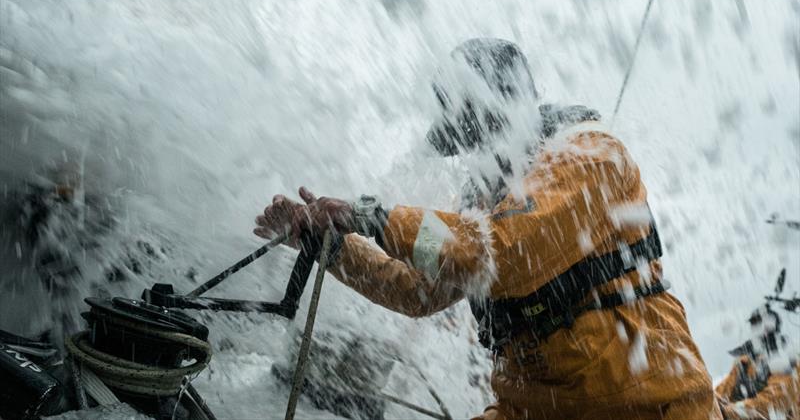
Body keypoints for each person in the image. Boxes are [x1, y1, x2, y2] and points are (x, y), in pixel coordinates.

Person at [254, 38, 722, 419]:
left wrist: (374, 215)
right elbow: (416, 292)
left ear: (505, 109)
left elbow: (497, 255)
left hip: (645, 406)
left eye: (473, 131)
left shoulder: (589, 156)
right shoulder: (485, 205)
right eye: (462, 140)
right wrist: (330, 246)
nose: (469, 151)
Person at [715, 305, 800, 419]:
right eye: (753, 324)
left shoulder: (786, 360)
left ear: (770, 326)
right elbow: (722, 391)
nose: (755, 329)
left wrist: (731, 411)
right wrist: (709, 404)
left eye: (758, 323)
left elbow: (774, 403)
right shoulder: (745, 362)